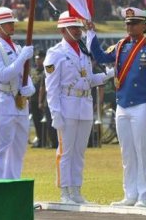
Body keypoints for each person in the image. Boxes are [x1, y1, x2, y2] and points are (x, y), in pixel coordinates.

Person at [88, 7, 146, 208]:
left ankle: (142, 195)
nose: (130, 27)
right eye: (128, 23)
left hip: (140, 105)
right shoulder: (120, 46)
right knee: (126, 152)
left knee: (141, 151)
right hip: (122, 105)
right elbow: (102, 57)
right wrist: (91, 34)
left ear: (143, 26)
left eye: (134, 23)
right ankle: (129, 193)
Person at [44, 11, 114, 204]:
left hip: (84, 105)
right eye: (73, 28)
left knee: (79, 151)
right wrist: (55, 112)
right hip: (66, 105)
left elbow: (89, 80)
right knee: (65, 151)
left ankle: (76, 190)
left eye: (78, 28)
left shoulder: (84, 51)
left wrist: (106, 76)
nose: (77, 31)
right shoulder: (56, 53)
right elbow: (52, 87)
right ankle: (65, 191)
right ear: (63, 30)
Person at [0, 7, 35, 179]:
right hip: (4, 102)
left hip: (20, 103)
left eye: (12, 22)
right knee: (0, 148)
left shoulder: (18, 47)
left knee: (18, 149)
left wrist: (30, 87)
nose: (12, 25)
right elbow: (3, 75)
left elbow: (24, 74)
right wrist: (22, 58)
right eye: (7, 23)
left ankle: (13, 185)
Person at [30, 50, 46, 147]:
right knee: (36, 121)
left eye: (40, 59)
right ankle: (40, 140)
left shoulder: (48, 69)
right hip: (33, 100)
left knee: (44, 122)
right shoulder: (33, 70)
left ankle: (46, 140)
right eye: (36, 59)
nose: (38, 61)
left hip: (44, 101)